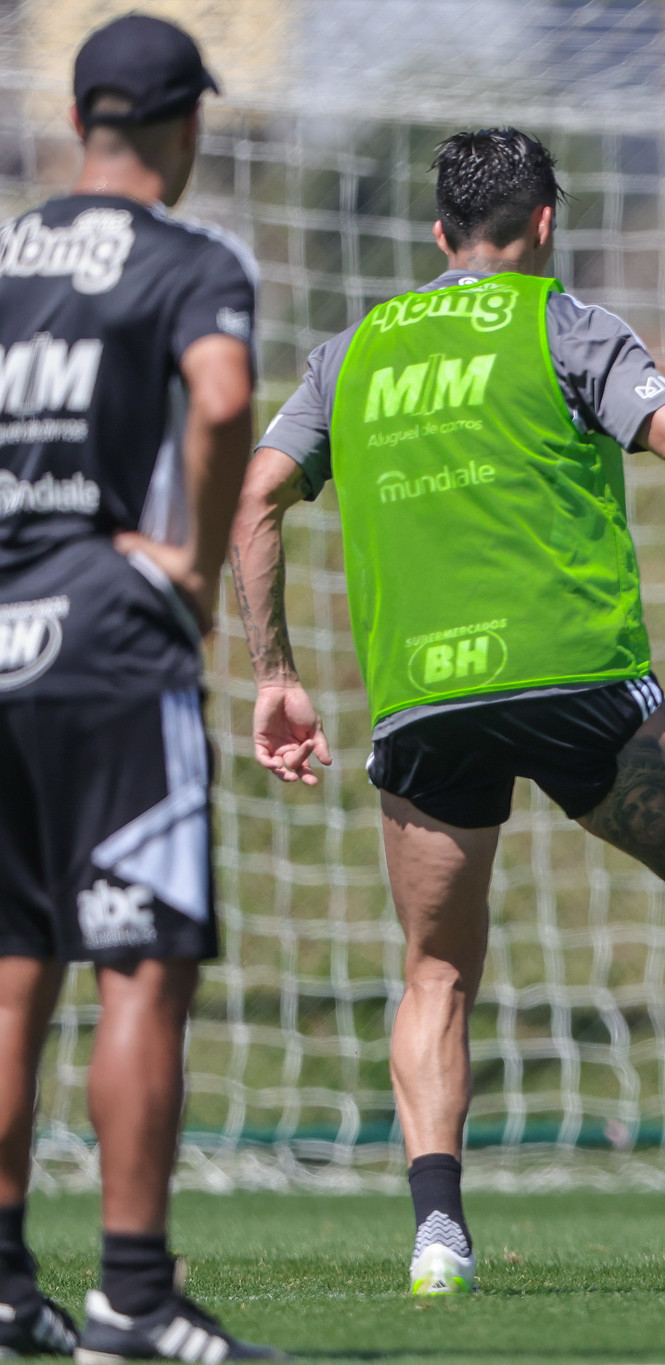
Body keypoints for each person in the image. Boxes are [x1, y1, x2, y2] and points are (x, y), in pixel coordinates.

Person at [232, 128, 665, 1297]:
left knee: (436, 965)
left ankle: (439, 1236)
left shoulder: (351, 354)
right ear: (545, 222)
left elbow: (259, 494)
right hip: (574, 679)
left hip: (421, 697)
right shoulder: (567, 323)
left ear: (440, 235)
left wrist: (275, 669)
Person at [0, 14, 279, 1361]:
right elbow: (220, 401)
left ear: (78, 122)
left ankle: (1, 1283)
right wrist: (180, 558)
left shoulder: (3, 254)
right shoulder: (189, 257)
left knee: (9, 974)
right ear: (181, 129)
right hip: (111, 642)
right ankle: (131, 1293)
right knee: (139, 966)